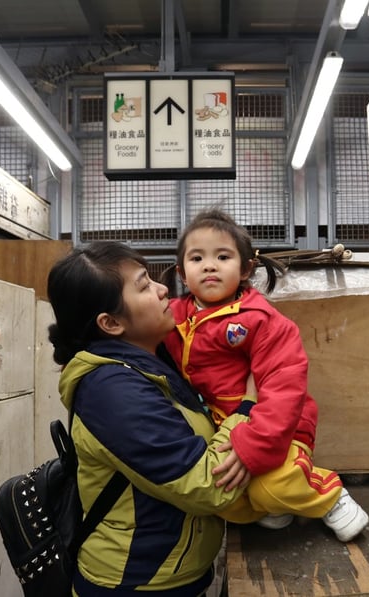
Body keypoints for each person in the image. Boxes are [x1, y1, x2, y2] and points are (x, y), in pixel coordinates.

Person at [46, 240, 256, 596]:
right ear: (111, 323)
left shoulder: (154, 363)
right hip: (135, 585)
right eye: (144, 285)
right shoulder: (112, 392)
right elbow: (207, 485)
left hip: (176, 577)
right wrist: (248, 408)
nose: (163, 290)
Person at [162, 209, 369, 542]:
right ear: (182, 274)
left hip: (278, 427)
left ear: (246, 268)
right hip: (224, 429)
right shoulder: (174, 317)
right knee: (218, 493)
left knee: (273, 483)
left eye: (223, 256)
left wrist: (252, 446)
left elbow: (283, 388)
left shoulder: (261, 320)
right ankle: (271, 507)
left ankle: (328, 495)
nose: (209, 265)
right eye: (197, 257)